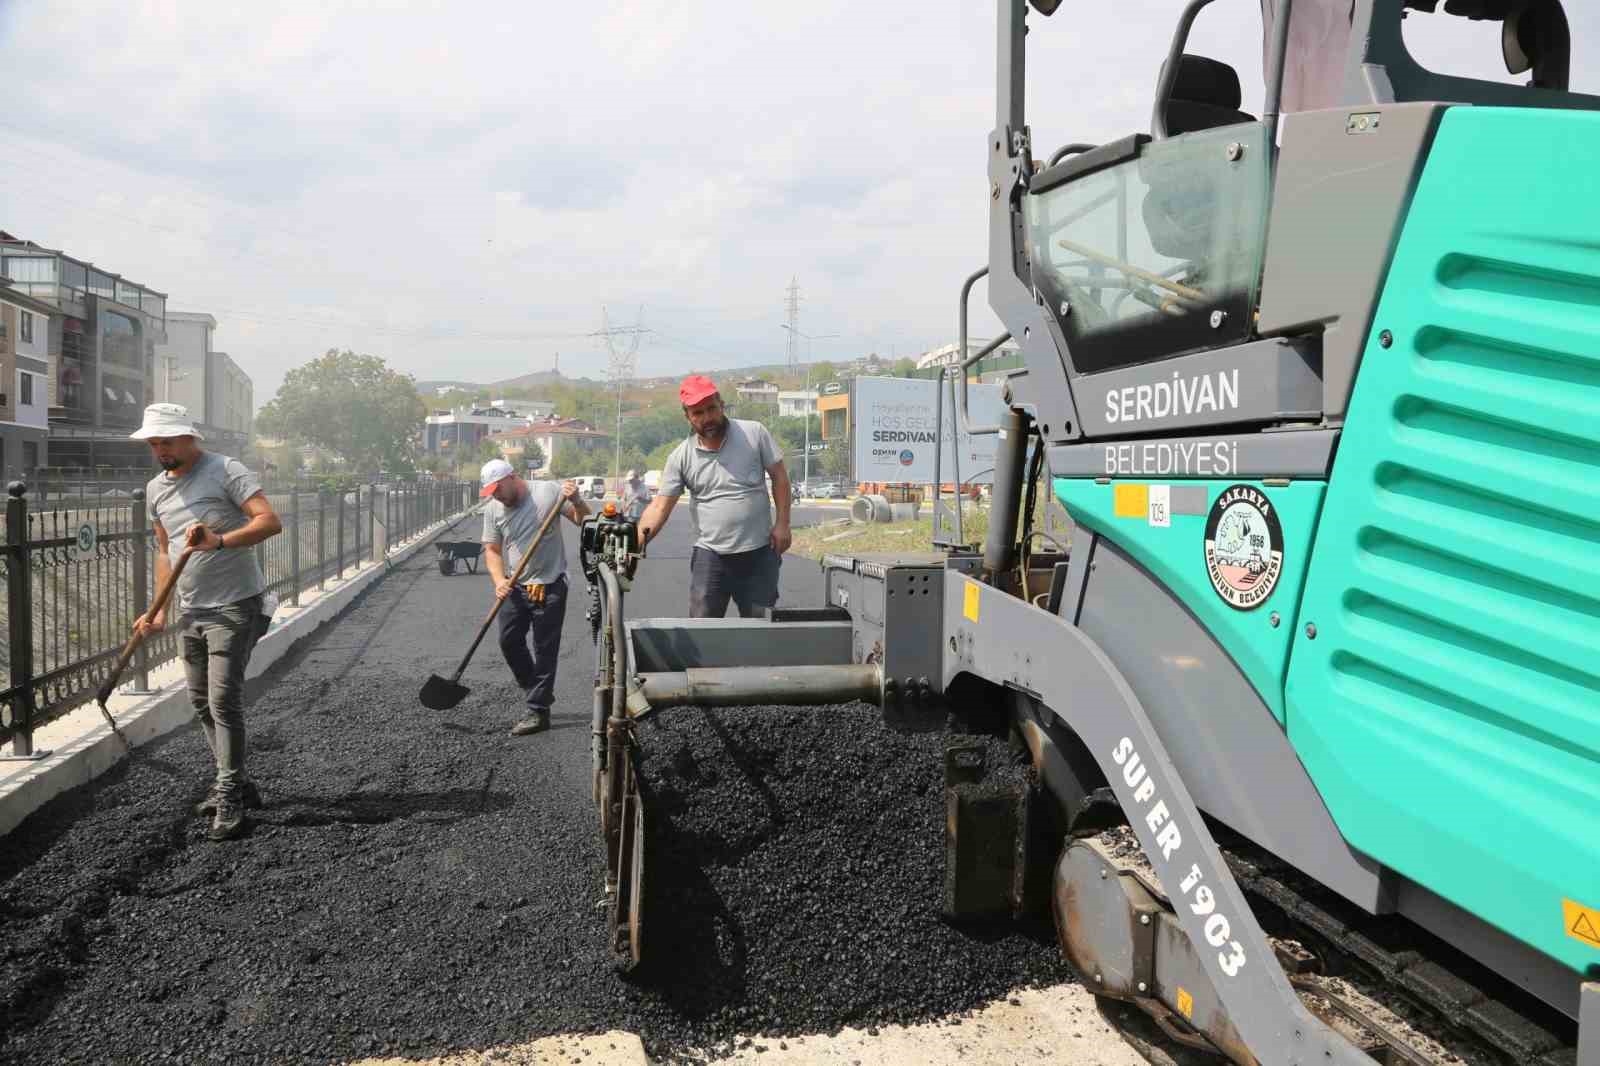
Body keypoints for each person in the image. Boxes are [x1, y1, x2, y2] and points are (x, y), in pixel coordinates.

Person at [130, 403, 283, 842]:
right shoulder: (156, 489)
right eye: (154, 443)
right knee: (200, 702)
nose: (160, 449)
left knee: (223, 700)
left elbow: (269, 521)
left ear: (190, 438)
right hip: (191, 610)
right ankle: (239, 781)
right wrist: (159, 607)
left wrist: (218, 541)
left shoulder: (224, 470)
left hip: (235, 606)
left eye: (167, 441)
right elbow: (165, 551)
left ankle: (229, 792)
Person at [637, 375, 792, 618]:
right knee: (703, 633)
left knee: (761, 632)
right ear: (687, 416)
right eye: (698, 413)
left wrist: (783, 524)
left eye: (711, 408)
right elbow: (659, 507)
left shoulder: (754, 433)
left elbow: (780, 477)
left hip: (759, 553)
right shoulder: (681, 457)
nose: (707, 418)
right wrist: (634, 544)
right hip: (710, 558)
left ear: (721, 403)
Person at [480, 458, 589, 736]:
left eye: (498, 488)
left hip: (551, 584)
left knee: (544, 649)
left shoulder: (548, 492)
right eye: (490, 491)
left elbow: (584, 520)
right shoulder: (493, 509)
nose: (495, 495)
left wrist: (576, 501)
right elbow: (492, 550)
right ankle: (537, 691)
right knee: (509, 641)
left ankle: (538, 710)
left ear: (512, 477)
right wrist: (499, 580)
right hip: (516, 585)